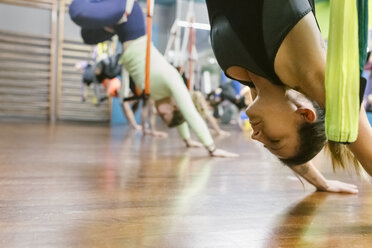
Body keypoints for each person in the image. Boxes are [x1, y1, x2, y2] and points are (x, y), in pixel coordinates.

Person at [205, 0, 372, 178]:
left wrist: (320, 183)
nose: (256, 137)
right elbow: (368, 153)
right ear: (305, 114)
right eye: (274, 140)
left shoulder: (253, 81)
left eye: (266, 144)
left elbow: (291, 154)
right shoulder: (307, 71)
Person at [69, 0, 237, 157]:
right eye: (164, 116)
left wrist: (187, 141)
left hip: (123, 32)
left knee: (88, 36)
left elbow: (180, 121)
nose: (158, 114)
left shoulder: (159, 95)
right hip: (132, 22)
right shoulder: (173, 81)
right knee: (78, 13)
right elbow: (190, 113)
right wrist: (211, 148)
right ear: (174, 106)